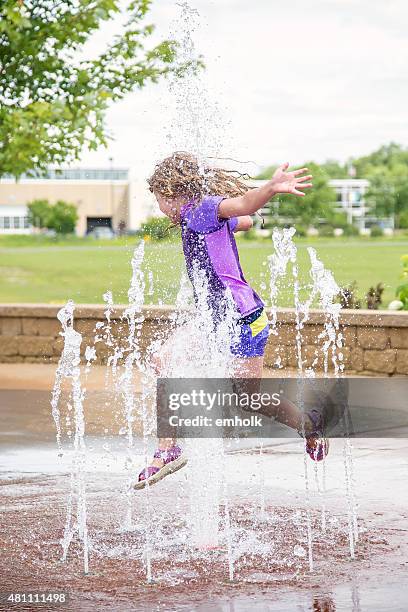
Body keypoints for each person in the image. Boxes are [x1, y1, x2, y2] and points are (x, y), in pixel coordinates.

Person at [134, 152, 327, 490]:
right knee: (163, 358)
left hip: (242, 318)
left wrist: (268, 189)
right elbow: (244, 220)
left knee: (248, 398)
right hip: (212, 318)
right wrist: (232, 221)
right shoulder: (201, 216)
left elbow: (245, 208)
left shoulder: (202, 209)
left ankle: (309, 426)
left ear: (178, 193)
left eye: (163, 199)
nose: (161, 207)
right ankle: (167, 449)